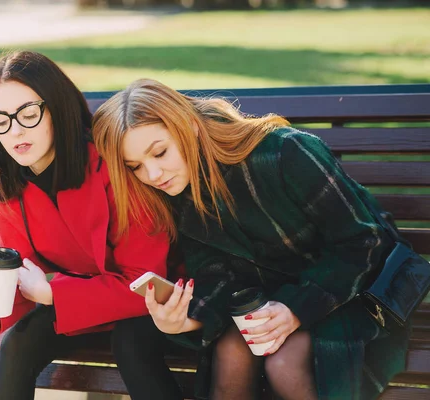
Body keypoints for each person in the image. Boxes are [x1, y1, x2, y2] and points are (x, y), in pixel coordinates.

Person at [92, 78, 410, 400]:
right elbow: (216, 275)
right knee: (232, 352)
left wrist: (294, 308)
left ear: (190, 127)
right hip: (268, 304)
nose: (153, 174)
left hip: (352, 289)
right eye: (135, 167)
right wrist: (184, 323)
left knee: (283, 364)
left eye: (159, 153)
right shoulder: (175, 190)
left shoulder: (285, 152)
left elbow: (366, 243)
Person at [0, 53, 184, 400]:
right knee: (19, 342)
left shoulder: (112, 164)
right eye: (1, 120)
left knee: (131, 344)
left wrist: (52, 293)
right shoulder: (11, 187)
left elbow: (144, 281)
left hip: (156, 301)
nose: (16, 131)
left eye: (28, 114)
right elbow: (21, 271)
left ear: (58, 108)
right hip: (78, 307)